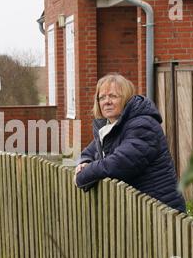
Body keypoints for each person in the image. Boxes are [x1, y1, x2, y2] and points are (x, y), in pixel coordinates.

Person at [74, 73, 185, 212]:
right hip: (138, 209)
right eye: (102, 97)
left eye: (113, 96)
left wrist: (83, 175)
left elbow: (120, 163)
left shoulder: (143, 125)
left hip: (161, 210)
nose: (106, 101)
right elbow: (91, 150)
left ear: (126, 99)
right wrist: (83, 161)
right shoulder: (111, 126)